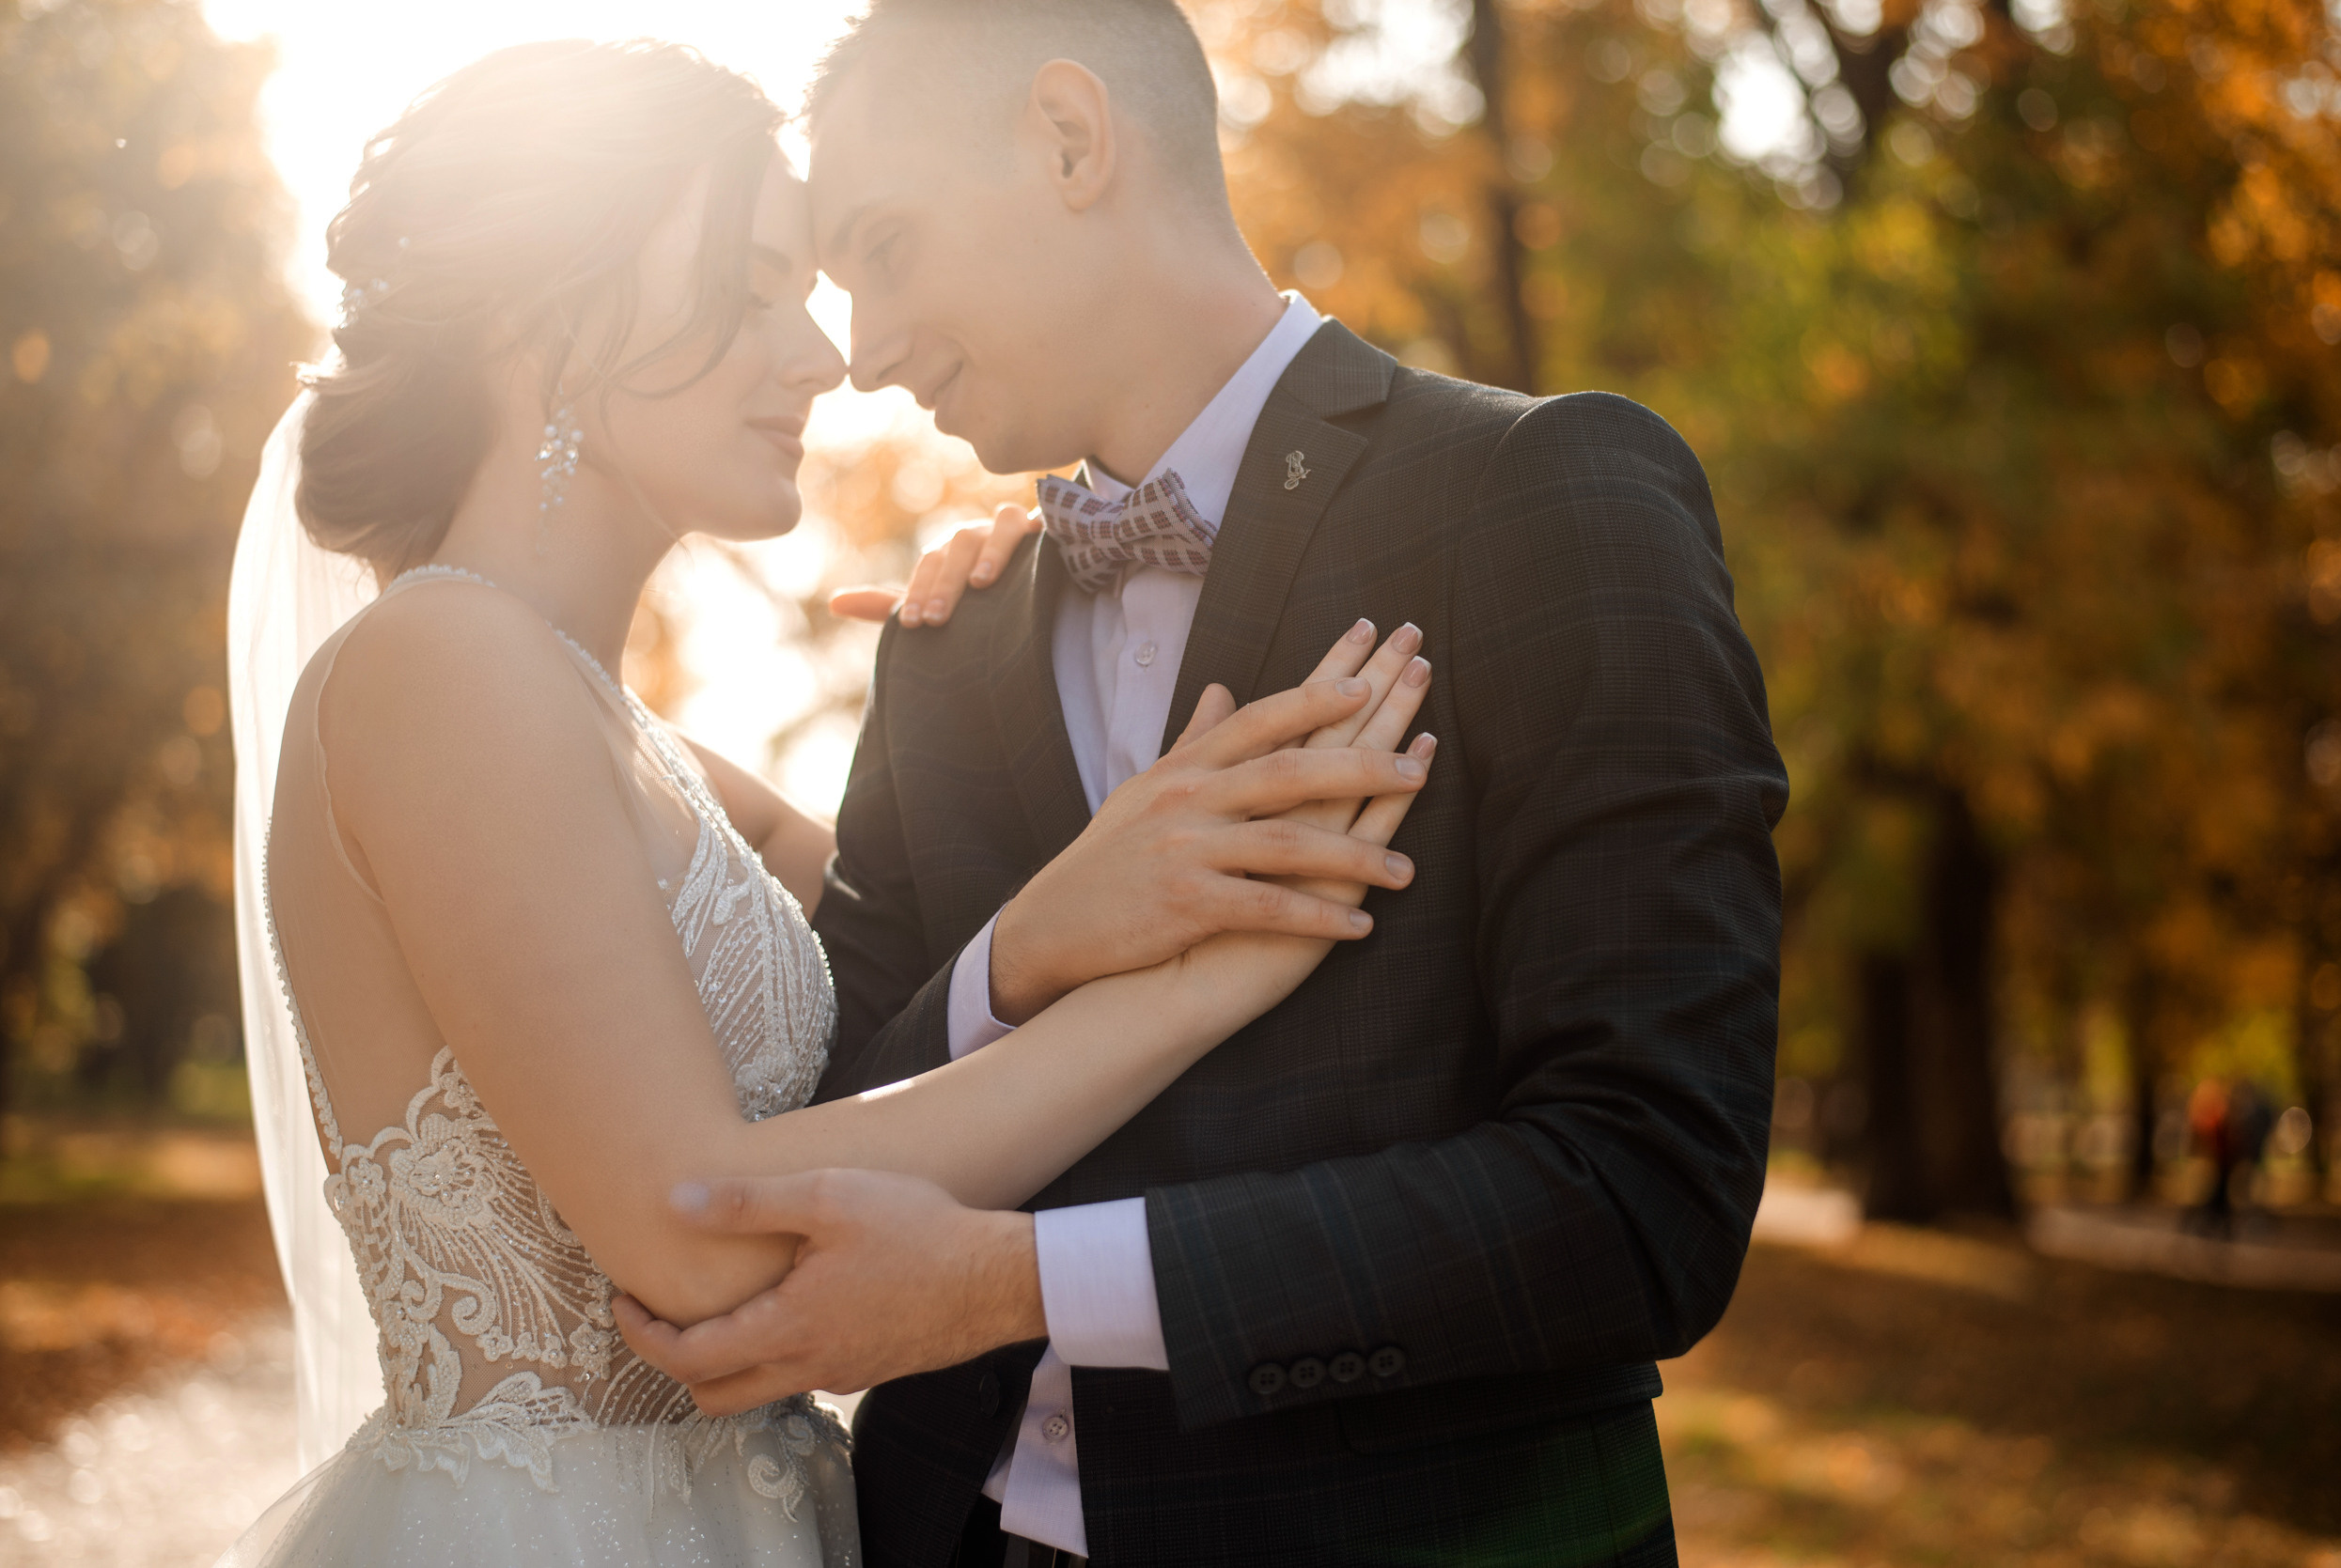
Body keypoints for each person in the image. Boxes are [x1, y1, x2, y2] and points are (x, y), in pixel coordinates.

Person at [223, 38, 1442, 1567]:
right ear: (548, 309)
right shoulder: (437, 666)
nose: (824, 356)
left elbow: (910, 983)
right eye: (748, 289)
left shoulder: (639, 748)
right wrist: (1201, 987)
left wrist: (1003, 636)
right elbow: (697, 1234)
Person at [612, 3, 1789, 1565]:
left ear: (1069, 137)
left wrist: (1013, 1281)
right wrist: (1026, 947)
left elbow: (1648, 1193)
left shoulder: (1546, 499)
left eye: (884, 247)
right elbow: (839, 1126)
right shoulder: (945, 646)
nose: (866, 349)